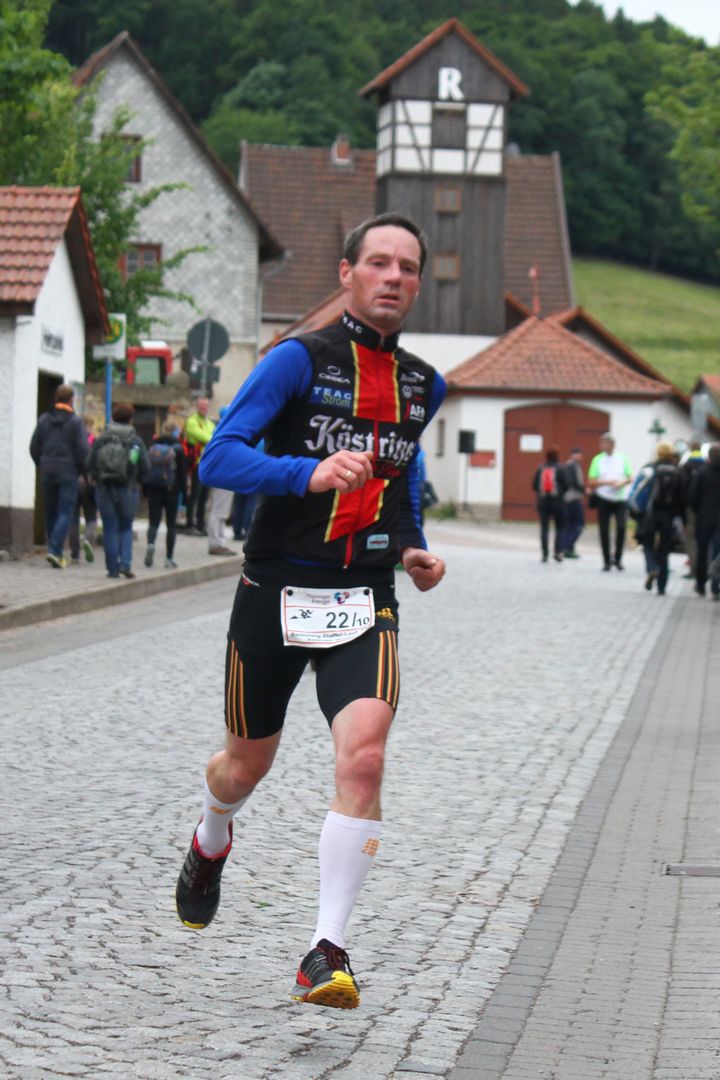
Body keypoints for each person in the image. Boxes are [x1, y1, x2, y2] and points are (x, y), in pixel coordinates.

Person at [175, 212, 447, 1011]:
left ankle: (326, 952)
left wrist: (412, 545)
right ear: (347, 273)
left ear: (418, 282)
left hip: (364, 595)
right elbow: (219, 456)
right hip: (276, 591)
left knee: (364, 758)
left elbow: (401, 472)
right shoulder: (298, 360)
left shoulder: (423, 384)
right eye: (379, 263)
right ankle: (211, 836)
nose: (393, 277)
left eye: (407, 266)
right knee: (243, 767)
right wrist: (306, 472)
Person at [29, 384, 89, 569]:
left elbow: (34, 446)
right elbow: (82, 449)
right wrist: (82, 470)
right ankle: (54, 550)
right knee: (65, 511)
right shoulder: (75, 422)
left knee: (51, 512)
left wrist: (42, 464)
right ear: (72, 400)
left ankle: (56, 553)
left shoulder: (44, 419)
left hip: (47, 471)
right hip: (68, 472)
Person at [88, 402, 149, 579]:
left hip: (105, 487)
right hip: (128, 489)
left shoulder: (102, 439)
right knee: (126, 527)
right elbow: (145, 466)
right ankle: (125, 564)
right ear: (131, 419)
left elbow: (90, 462)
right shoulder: (135, 441)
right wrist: (137, 480)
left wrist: (98, 477)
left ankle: (112, 569)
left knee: (110, 527)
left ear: (113, 417)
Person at [639, 442, 684, 596]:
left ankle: (652, 568)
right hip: (668, 516)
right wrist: (681, 518)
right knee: (664, 550)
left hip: (651, 514)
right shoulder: (677, 471)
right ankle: (662, 586)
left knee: (647, 543)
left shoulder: (650, 469)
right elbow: (681, 497)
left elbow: (641, 493)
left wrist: (638, 512)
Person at [144, 417, 186, 569]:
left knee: (153, 521)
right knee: (171, 525)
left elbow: (146, 468)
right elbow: (182, 473)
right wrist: (184, 494)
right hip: (171, 489)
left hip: (154, 487)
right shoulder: (179, 448)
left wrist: (145, 489)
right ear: (175, 431)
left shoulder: (153, 445)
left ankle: (150, 544)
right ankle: (169, 558)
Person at [587, 433, 632, 571]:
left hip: (620, 499)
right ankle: (606, 560)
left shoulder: (622, 458)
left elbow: (630, 477)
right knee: (604, 530)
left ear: (612, 445)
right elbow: (591, 481)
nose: (602, 446)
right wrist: (607, 482)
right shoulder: (597, 459)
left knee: (621, 528)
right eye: (602, 443)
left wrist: (622, 482)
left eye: (605, 443)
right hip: (604, 498)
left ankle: (617, 558)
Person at [690, 443, 720, 599]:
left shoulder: (702, 472)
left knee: (702, 551)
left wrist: (698, 511)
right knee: (717, 552)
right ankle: (715, 585)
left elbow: (693, 496)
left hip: (704, 517)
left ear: (708, 456)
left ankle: (700, 584)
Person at [183, 396, 215, 534]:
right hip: (196, 463)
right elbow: (206, 438)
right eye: (201, 405)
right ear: (197, 406)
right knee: (194, 495)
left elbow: (213, 438)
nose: (203, 408)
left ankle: (201, 524)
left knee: (204, 496)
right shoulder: (192, 421)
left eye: (205, 405)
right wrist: (212, 440)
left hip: (207, 463)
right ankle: (190, 523)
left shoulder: (210, 423)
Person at [531, 447, 567, 562]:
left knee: (544, 528)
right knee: (559, 528)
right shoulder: (561, 468)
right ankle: (557, 552)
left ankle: (545, 554)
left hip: (543, 503)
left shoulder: (540, 468)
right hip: (558, 503)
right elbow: (566, 485)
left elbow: (534, 485)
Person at [678, 437, 706, 579]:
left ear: (689, 449)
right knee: (705, 538)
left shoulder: (685, 467)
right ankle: (704, 568)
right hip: (707, 509)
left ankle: (694, 568)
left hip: (690, 509)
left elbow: (681, 490)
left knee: (690, 538)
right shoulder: (707, 465)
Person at [559, 446, 585, 558]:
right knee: (579, 524)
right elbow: (574, 483)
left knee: (569, 525)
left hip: (568, 499)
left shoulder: (569, 465)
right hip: (573, 498)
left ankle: (569, 548)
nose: (578, 456)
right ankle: (566, 546)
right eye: (577, 454)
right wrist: (585, 490)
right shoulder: (572, 466)